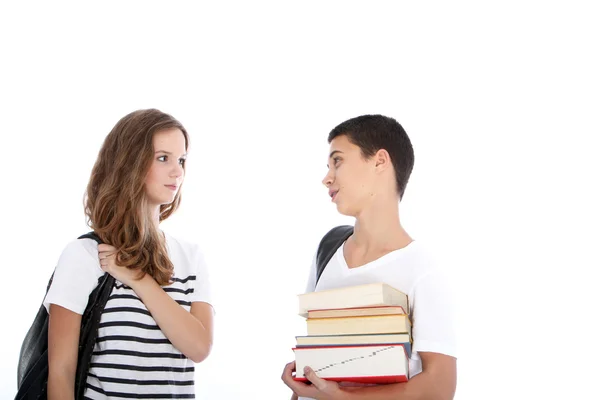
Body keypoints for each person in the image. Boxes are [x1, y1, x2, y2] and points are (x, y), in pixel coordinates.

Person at [281, 115, 457, 400]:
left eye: (337, 161)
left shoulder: (424, 270)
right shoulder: (327, 250)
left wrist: (344, 398)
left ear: (379, 161)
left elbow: (440, 387)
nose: (327, 178)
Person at [45, 109, 214, 399]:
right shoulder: (85, 255)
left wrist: (139, 279)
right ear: (130, 163)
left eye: (182, 160)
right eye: (163, 158)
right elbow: (60, 372)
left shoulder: (190, 257)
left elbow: (199, 348)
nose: (178, 171)